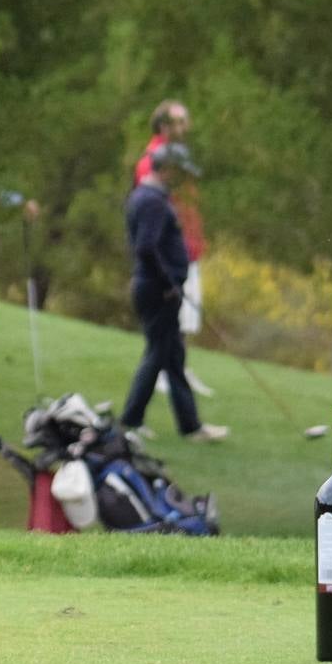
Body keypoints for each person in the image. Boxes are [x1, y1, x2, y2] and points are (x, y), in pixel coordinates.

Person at [120, 143, 227, 443]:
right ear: (166, 169)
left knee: (171, 356)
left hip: (157, 287)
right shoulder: (152, 201)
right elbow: (145, 247)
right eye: (179, 172)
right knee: (158, 354)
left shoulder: (148, 197)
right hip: (158, 290)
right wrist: (169, 283)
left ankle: (190, 426)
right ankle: (131, 420)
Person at [133, 99, 213, 397]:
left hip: (187, 248)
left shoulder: (180, 158)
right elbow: (150, 213)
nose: (184, 127)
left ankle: (178, 368)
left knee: (185, 319)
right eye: (178, 122)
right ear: (163, 125)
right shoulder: (153, 160)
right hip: (170, 252)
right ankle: (165, 372)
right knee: (169, 318)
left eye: (185, 121)